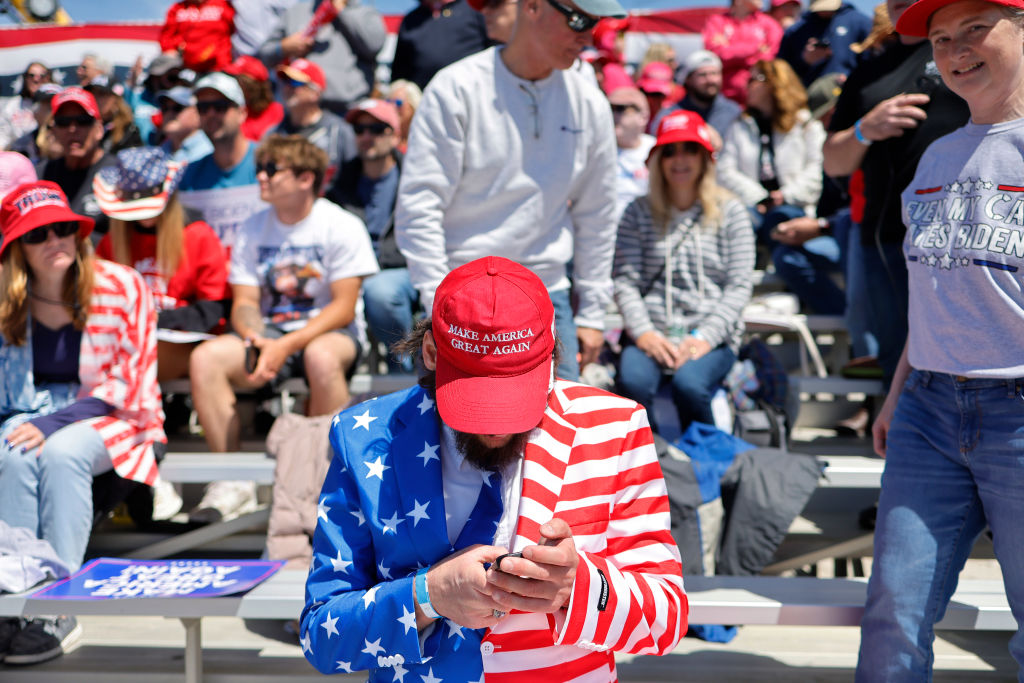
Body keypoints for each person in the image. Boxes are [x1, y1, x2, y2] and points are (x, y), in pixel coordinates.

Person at [301, 255, 687, 681]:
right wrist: (428, 596)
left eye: (515, 398)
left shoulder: (615, 427)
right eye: (475, 402)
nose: (496, 428)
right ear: (430, 352)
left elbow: (666, 620)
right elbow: (322, 636)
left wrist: (577, 588)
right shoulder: (366, 437)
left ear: (554, 353)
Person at [855, 0, 1024, 677]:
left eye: (975, 29)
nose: (956, 50)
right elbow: (933, 296)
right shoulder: (933, 157)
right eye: (942, 38)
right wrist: (898, 393)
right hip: (928, 410)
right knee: (893, 612)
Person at [395, 0, 627, 382]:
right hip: (463, 295)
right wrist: (439, 300)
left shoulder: (590, 103)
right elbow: (420, 206)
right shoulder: (456, 87)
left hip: (547, 296)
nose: (587, 35)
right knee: (458, 435)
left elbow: (598, 214)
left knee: (554, 438)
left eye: (595, 23)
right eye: (578, 19)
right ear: (533, 6)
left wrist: (592, 313)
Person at [0, 181, 164, 664]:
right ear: (16, 250)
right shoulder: (7, 298)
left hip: (118, 415)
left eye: (64, 228)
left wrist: (54, 423)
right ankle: (14, 598)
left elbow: (130, 383)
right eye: (38, 235)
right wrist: (36, 424)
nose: (54, 241)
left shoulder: (122, 284)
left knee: (61, 451)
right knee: (11, 451)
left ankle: (58, 605)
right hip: (26, 415)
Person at [187, 134, 378, 523]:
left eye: (272, 169)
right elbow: (244, 301)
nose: (260, 177)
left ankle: (324, 477)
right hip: (272, 333)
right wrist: (255, 336)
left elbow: (343, 308)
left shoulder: (341, 224)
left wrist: (285, 345)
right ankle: (232, 481)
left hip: (330, 335)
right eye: (260, 168)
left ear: (306, 178)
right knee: (206, 357)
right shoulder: (253, 226)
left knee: (320, 357)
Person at [822, 0, 969, 387]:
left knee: (962, 366)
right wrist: (864, 130)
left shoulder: (964, 51)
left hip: (968, 237)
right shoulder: (867, 71)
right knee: (899, 369)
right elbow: (833, 162)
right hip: (886, 241)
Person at [613, 110, 755, 434]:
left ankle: (705, 468)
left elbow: (739, 285)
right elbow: (625, 282)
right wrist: (645, 333)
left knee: (690, 384)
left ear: (705, 158)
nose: (680, 159)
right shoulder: (636, 212)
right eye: (670, 150)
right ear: (658, 159)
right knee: (632, 382)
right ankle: (646, 465)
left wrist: (704, 337)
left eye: (690, 149)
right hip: (652, 331)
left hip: (711, 335)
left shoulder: (731, 211)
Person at [93, 146, 229, 382]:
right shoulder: (111, 242)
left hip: (180, 343)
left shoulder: (197, 235)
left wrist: (158, 320)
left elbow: (213, 310)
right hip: (123, 344)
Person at [327, 99, 415, 373]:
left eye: (377, 128)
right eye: (359, 129)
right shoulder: (341, 183)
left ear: (395, 134)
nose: (366, 137)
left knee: (379, 292)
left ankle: (407, 368)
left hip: (403, 268)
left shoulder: (415, 177)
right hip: (352, 270)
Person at [717, 59, 825, 231]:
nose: (747, 86)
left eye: (754, 80)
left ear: (773, 83)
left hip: (797, 209)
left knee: (781, 220)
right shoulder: (739, 125)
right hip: (751, 207)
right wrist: (761, 198)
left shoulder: (805, 124)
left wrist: (784, 196)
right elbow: (725, 170)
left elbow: (816, 169)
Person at [176, 72, 262, 250]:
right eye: (203, 108)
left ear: (242, 113)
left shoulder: (267, 163)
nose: (211, 114)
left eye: (220, 106)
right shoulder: (188, 175)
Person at [258, 0, 386, 115]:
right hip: (299, 112)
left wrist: (341, 9)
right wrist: (283, 47)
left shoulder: (365, 13)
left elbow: (374, 45)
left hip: (347, 111)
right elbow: (264, 55)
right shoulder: (296, 12)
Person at [36, 88, 117, 240]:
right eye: (63, 122)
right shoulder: (41, 177)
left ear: (99, 129)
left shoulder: (118, 174)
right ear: (53, 131)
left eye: (83, 121)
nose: (72, 129)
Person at [275, 57, 356, 191]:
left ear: (315, 93)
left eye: (295, 82)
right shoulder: (275, 133)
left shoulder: (339, 131)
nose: (288, 87)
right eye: (285, 81)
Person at [389, 0, 491, 90]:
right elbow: (398, 73)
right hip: (421, 103)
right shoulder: (410, 20)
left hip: (472, 97)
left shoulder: (475, 9)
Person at [652, 50, 743, 148]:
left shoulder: (734, 113)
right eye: (702, 75)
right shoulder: (670, 115)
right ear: (688, 79)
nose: (710, 80)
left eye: (714, 73)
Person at [702, 0, 783, 105]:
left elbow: (768, 59)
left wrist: (729, 48)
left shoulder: (770, 24)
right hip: (723, 95)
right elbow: (714, 55)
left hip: (758, 97)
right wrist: (756, 48)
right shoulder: (716, 21)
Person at [777, 0, 872, 86]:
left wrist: (852, 79)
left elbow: (870, 61)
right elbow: (781, 70)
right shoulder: (796, 30)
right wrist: (804, 61)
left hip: (849, 92)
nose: (824, 11)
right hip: (809, 95)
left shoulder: (860, 22)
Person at [608, 86, 655, 220]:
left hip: (645, 229)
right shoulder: (595, 150)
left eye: (622, 109)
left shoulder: (656, 149)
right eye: (610, 109)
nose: (614, 115)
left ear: (643, 117)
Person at [159, 0, 236, 73]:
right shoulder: (177, 8)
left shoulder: (223, 5)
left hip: (218, 67)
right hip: (184, 68)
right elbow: (166, 37)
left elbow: (236, 31)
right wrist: (170, 49)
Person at [225, 56, 284, 142]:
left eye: (237, 80)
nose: (232, 83)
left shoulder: (277, 112)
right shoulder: (231, 110)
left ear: (252, 86)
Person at [84, 76, 145, 155]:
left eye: (102, 94)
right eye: (92, 94)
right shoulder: (84, 124)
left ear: (115, 98)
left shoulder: (129, 130)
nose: (96, 98)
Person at [0, 62, 51, 151]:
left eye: (41, 76)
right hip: (18, 155)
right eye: (31, 75)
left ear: (48, 78)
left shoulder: (54, 102)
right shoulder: (13, 105)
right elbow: (3, 135)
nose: (36, 79)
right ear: (25, 78)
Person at [156, 86, 214, 164]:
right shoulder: (161, 149)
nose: (169, 113)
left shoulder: (208, 152)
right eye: (165, 108)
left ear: (198, 113)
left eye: (177, 108)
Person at [383, 79, 421, 153]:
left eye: (398, 103)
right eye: (389, 102)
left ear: (413, 105)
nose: (393, 106)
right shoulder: (380, 135)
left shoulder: (423, 137)